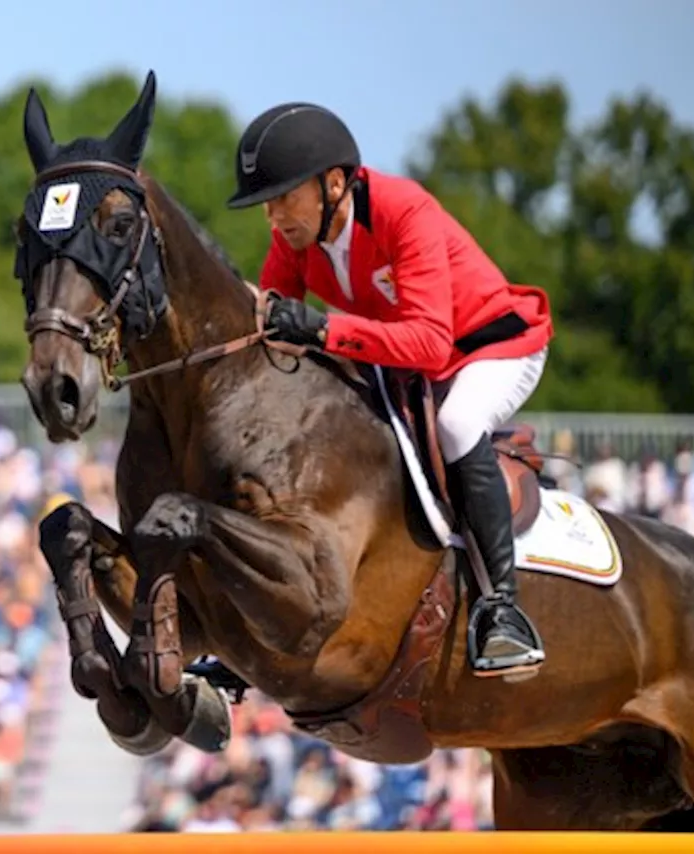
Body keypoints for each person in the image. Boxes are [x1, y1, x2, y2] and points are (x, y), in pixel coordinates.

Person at [225, 102, 554, 678]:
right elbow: (273, 330)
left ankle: (502, 609)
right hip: (404, 360)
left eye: (283, 197)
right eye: (266, 203)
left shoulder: (405, 211)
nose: (273, 216)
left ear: (333, 184)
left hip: (494, 348)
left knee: (456, 424)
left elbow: (429, 343)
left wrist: (323, 329)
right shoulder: (296, 236)